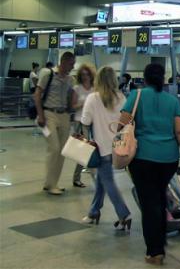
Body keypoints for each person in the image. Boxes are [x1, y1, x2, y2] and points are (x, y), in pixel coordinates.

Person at [121, 63, 180, 265]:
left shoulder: (136, 96)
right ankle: (161, 239)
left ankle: (155, 252)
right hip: (168, 159)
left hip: (143, 158)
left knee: (150, 204)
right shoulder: (172, 101)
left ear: (145, 78)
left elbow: (121, 124)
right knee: (160, 198)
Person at [80, 66, 130, 229]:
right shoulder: (121, 97)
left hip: (101, 148)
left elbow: (85, 121)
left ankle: (123, 214)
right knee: (102, 180)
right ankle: (94, 211)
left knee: (108, 181)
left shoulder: (93, 98)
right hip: (119, 146)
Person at [34, 52, 77, 195]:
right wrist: (41, 115)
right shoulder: (48, 74)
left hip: (64, 115)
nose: (73, 67)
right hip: (48, 114)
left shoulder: (71, 79)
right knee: (54, 148)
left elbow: (71, 97)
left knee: (62, 151)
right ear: (63, 62)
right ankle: (50, 183)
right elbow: (37, 95)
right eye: (71, 64)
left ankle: (53, 183)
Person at [72, 64, 96, 188]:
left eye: (87, 74)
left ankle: (90, 176)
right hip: (80, 122)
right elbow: (72, 106)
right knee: (84, 151)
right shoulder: (77, 88)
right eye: (82, 74)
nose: (85, 77)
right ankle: (78, 178)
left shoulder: (94, 89)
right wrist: (83, 104)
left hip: (93, 122)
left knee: (92, 150)